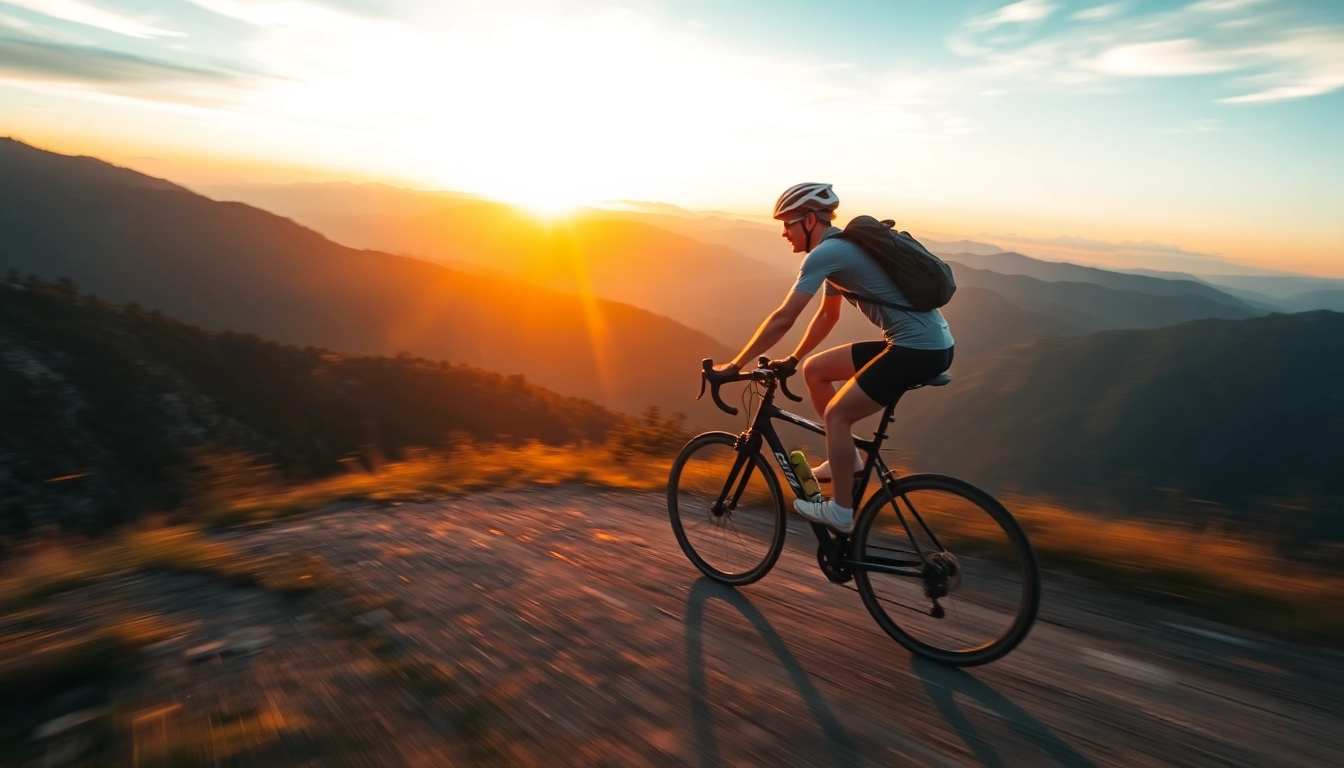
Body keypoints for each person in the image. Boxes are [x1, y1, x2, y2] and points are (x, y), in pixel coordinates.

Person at [713, 182, 954, 533]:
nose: (784, 232)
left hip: (918, 349)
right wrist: (795, 359)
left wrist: (735, 365)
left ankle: (841, 512)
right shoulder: (842, 248)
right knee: (816, 370)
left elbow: (784, 317)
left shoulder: (826, 254)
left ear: (809, 220)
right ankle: (851, 463)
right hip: (927, 343)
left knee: (838, 417)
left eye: (788, 223)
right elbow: (828, 315)